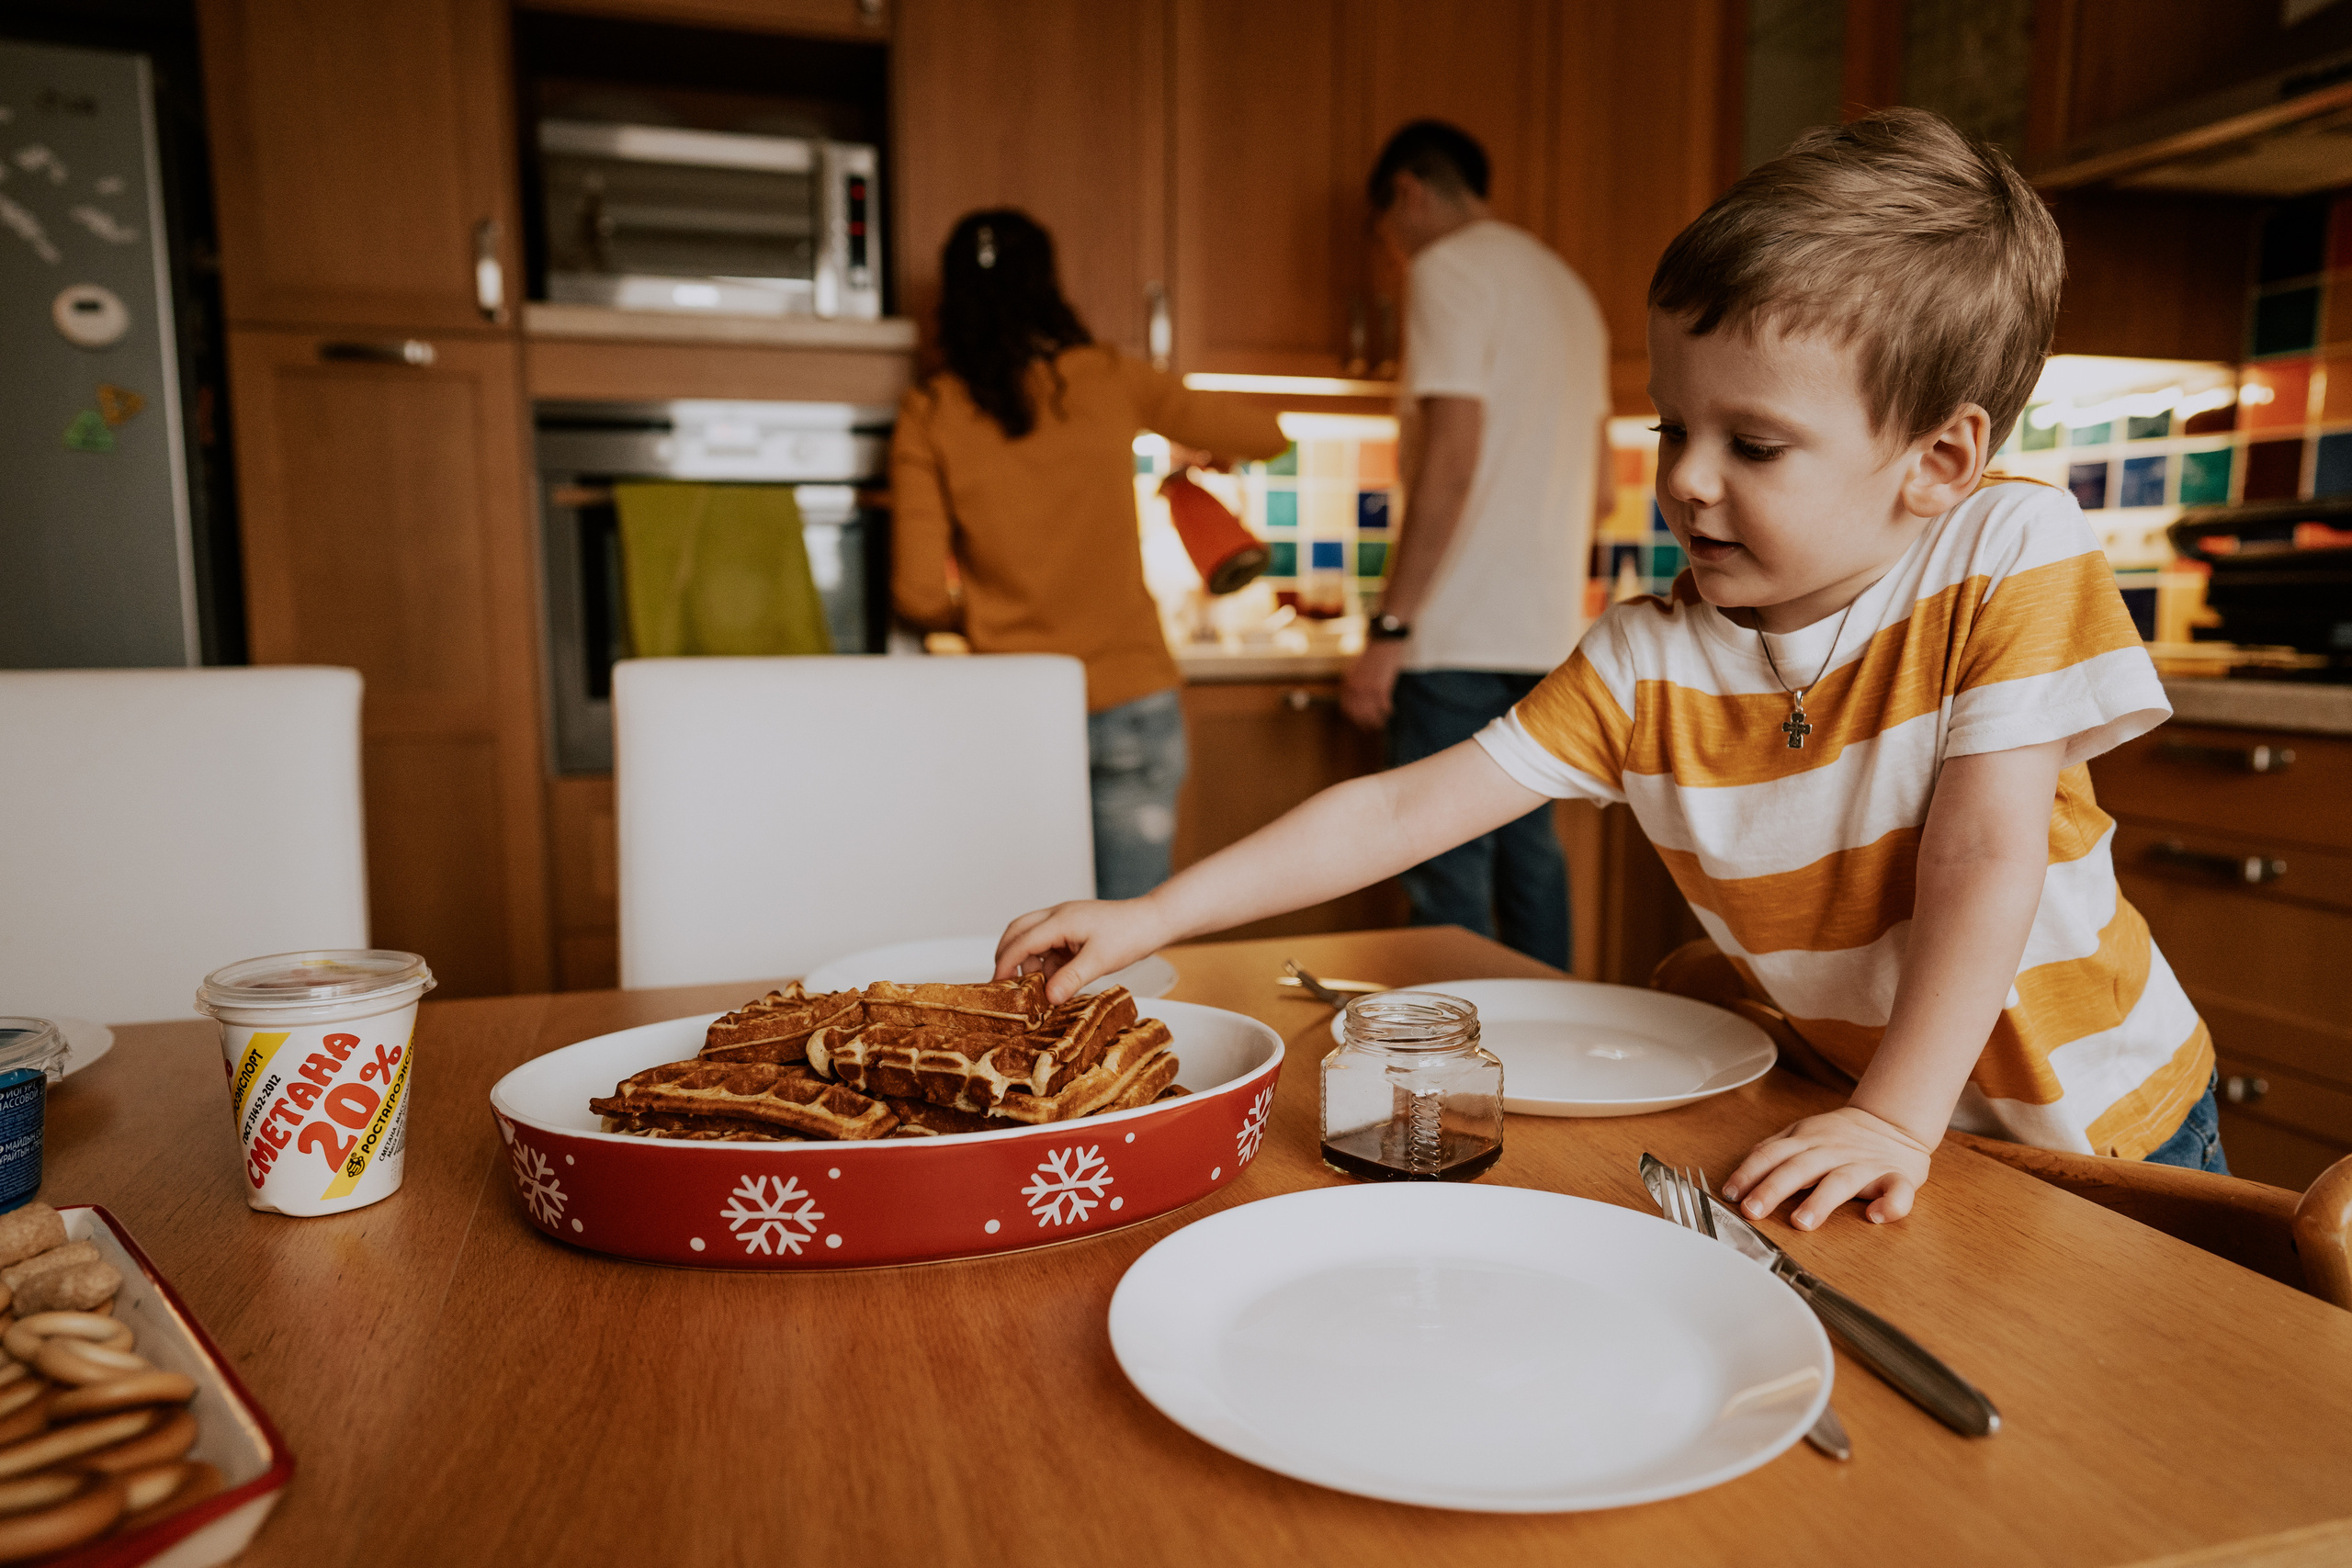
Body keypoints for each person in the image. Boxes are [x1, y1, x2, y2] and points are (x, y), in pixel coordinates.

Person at [995, 109, 2224, 1230]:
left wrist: (1896, 1113)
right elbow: (1402, 804)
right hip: (1885, 1132)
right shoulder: (1649, 654)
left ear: (1938, 456)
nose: (1687, 479)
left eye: (1754, 442)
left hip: (2111, 1127)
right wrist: (1151, 911)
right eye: (1673, 429)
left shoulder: (2006, 547)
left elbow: (1982, 851)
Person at [891, 210, 1288, 900]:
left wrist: (993, 614)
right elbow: (1268, 435)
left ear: (952, 303)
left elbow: (919, 595)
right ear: (1048, 287)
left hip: (1014, 710)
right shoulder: (1108, 378)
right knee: (1125, 941)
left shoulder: (932, 411)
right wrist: (1202, 443)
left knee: (1022, 949)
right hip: (1132, 698)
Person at [1342, 120, 1611, 971]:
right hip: (1544, 636)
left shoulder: (1448, 270)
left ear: (1410, 193)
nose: (1389, 254)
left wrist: (1390, 630)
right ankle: (1550, 1058)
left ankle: (1458, 1083)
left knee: (1444, 870)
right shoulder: (1569, 288)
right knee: (1532, 858)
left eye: (1382, 230)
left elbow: (1451, 462)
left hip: (1455, 637)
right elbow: (1603, 489)